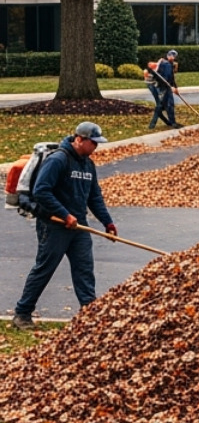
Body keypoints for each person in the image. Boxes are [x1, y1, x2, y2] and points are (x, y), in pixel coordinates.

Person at [11, 122, 116, 330]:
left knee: (84, 269)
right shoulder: (58, 160)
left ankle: (89, 313)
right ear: (79, 140)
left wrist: (108, 222)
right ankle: (22, 314)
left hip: (79, 226)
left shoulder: (88, 165)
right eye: (93, 143)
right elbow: (42, 191)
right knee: (44, 269)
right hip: (54, 225)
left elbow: (94, 197)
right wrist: (64, 214)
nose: (95, 147)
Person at [146, 49, 180, 130]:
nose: (172, 57)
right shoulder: (166, 65)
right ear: (168, 56)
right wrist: (170, 87)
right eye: (171, 55)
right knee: (165, 104)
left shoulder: (169, 65)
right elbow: (163, 78)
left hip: (165, 86)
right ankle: (154, 125)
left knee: (166, 105)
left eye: (174, 56)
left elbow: (171, 78)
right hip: (161, 87)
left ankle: (171, 122)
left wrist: (175, 87)